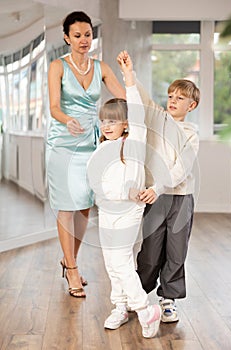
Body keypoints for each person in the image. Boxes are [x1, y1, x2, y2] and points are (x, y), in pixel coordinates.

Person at [46, 11, 126, 298]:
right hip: (63, 143)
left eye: (88, 34)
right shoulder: (57, 66)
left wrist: (129, 77)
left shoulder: (101, 66)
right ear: (67, 37)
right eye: (77, 35)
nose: (83, 40)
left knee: (84, 206)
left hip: (91, 143)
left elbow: (123, 97)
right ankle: (72, 269)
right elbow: (54, 106)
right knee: (66, 206)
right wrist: (67, 119)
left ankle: (70, 260)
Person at [87, 51, 161, 338]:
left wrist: (128, 76)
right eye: (103, 121)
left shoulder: (135, 141)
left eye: (113, 121)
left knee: (119, 260)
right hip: (106, 210)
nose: (107, 126)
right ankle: (120, 306)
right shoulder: (102, 148)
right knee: (115, 261)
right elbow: (96, 180)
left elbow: (137, 109)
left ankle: (144, 309)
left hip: (129, 210)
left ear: (126, 124)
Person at [136, 77, 200, 323]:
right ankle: (138, 294)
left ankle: (168, 299)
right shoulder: (157, 121)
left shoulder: (191, 134)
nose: (173, 101)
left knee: (176, 251)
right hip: (156, 196)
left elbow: (182, 167)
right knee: (150, 252)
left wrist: (158, 186)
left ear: (191, 106)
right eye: (171, 96)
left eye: (180, 98)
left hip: (180, 199)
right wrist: (130, 74)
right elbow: (142, 99)